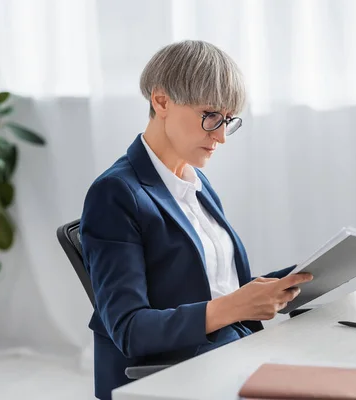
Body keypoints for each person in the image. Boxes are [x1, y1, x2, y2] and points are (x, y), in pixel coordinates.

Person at [79, 40, 314, 400]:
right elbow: (129, 328)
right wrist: (234, 307)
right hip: (176, 368)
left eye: (228, 121)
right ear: (161, 102)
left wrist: (296, 278)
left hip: (226, 347)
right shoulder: (115, 194)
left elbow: (208, 284)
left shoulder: (193, 179)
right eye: (211, 116)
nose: (220, 136)